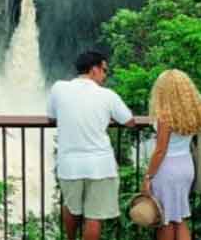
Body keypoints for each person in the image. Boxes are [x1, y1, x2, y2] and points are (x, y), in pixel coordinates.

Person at [47, 51, 135, 240]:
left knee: (71, 207)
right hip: (100, 165)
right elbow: (129, 121)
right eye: (104, 70)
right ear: (94, 70)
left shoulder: (58, 88)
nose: (105, 75)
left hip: (69, 164)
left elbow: (51, 117)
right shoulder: (107, 95)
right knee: (94, 217)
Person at [142, 70, 201, 240]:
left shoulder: (165, 117)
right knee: (179, 218)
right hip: (185, 166)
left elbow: (160, 151)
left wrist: (148, 176)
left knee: (165, 219)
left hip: (167, 170)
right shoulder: (193, 113)